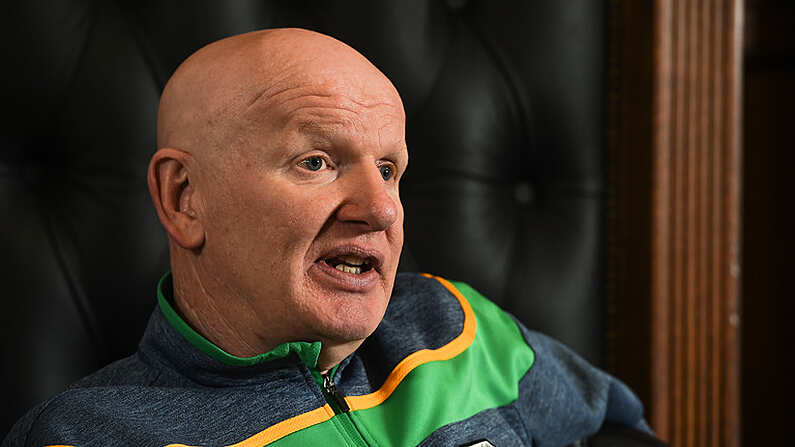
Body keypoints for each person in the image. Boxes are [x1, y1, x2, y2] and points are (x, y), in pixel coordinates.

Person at [3, 28, 653, 447]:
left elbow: (614, 430)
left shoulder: (454, 325)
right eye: (316, 161)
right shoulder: (84, 436)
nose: (380, 209)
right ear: (184, 198)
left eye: (390, 169)